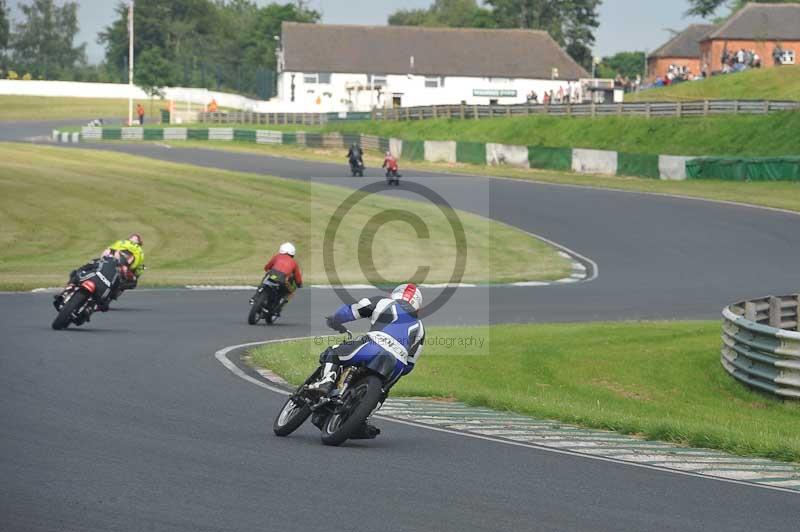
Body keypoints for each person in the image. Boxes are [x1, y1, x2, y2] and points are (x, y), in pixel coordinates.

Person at [307, 283, 425, 439]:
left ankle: (326, 382)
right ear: (417, 307)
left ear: (394, 294)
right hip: (397, 363)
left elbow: (352, 311)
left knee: (334, 352)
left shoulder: (383, 302)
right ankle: (364, 418)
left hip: (372, 344)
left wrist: (335, 320)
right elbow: (410, 364)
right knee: (383, 391)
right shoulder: (421, 328)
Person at [254, 242, 303, 312]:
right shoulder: (294, 262)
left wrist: (269, 269)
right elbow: (297, 275)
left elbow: (267, 267)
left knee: (266, 278)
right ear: (292, 252)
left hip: (272, 276)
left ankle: (255, 296)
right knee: (289, 292)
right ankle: (278, 306)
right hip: (282, 280)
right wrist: (299, 283)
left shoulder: (276, 257)